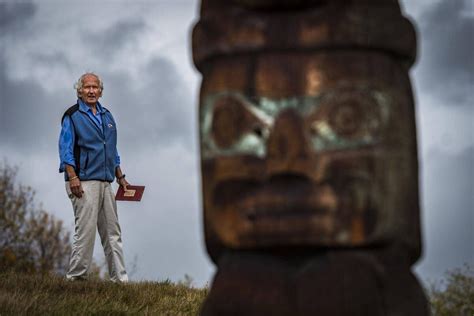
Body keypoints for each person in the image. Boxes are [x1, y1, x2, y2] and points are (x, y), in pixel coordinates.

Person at [58, 72, 129, 282]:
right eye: (87, 87)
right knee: (86, 233)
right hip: (83, 182)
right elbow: (65, 150)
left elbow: (112, 150)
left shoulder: (108, 116)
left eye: (95, 87)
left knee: (113, 233)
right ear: (79, 90)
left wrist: (120, 176)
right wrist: (73, 178)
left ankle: (120, 281)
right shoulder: (72, 115)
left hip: (106, 182)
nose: (91, 91)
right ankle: (76, 279)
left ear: (100, 91)